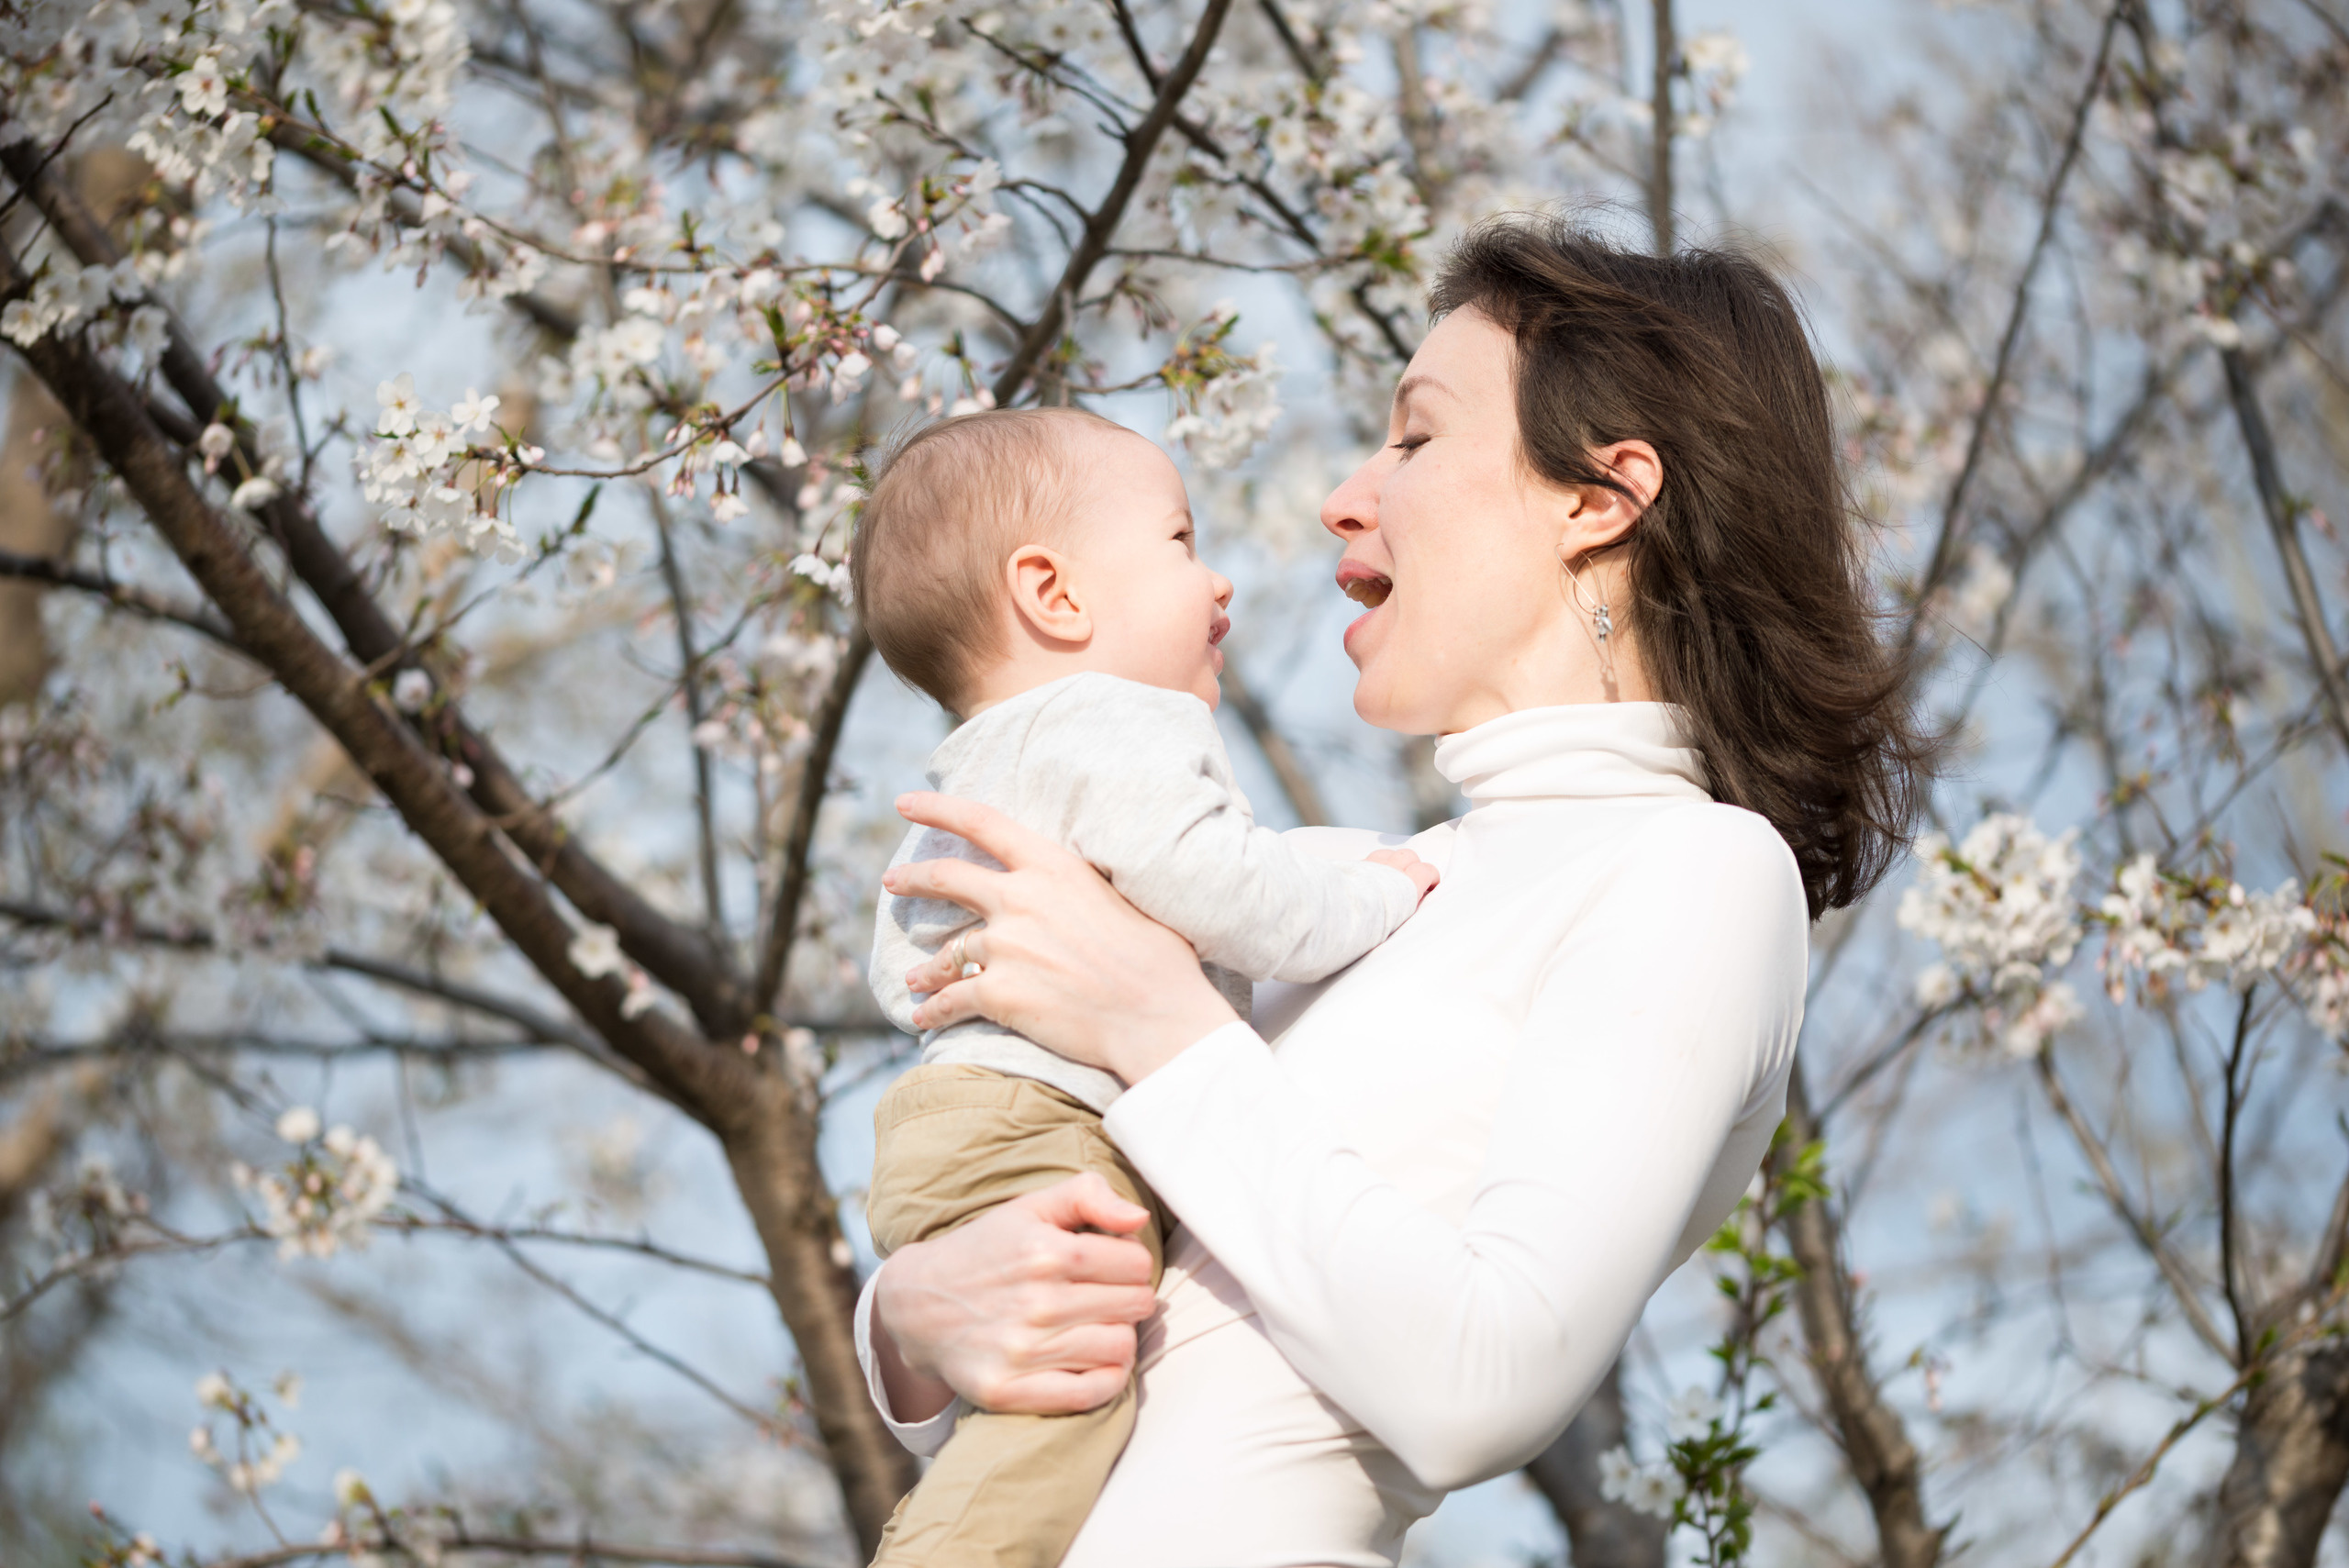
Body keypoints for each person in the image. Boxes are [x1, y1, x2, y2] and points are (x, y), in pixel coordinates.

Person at [856, 216, 1932, 1565]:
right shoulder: (1339, 883)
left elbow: (1482, 1381)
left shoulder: (1698, 870)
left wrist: (1155, 1023)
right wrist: (905, 1318)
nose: (1344, 496)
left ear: (1598, 498)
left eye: (1415, 439)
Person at [848, 406, 1440, 1568]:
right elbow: (1233, 892)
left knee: (1026, 1397)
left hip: (950, 1122)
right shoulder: (1117, 721)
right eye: (1178, 541)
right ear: (1054, 595)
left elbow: (900, 970)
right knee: (1062, 1416)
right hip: (1042, 1122)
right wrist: (1380, 893)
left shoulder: (985, 762)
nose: (1216, 578)